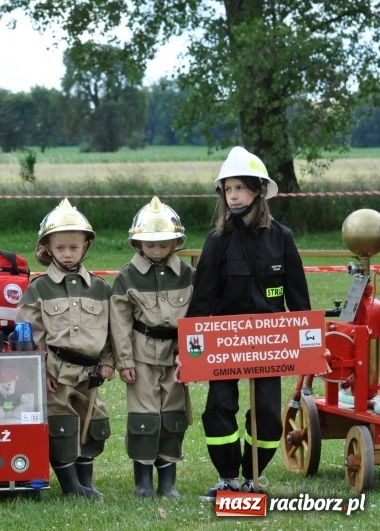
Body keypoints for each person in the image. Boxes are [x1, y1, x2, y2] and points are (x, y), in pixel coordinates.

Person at [188, 146, 312, 501]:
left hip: (271, 344)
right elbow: (202, 301)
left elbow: (299, 299)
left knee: (269, 415)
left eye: (240, 188)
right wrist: (189, 349)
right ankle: (227, 477)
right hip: (223, 344)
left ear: (259, 191)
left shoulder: (282, 237)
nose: (233, 195)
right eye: (227, 189)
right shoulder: (216, 241)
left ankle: (252, 478)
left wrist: (309, 348)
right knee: (218, 409)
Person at [16, 198, 113, 499]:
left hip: (91, 370)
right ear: (47, 248)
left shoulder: (99, 288)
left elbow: (113, 330)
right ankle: (70, 485)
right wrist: (39, 368)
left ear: (86, 246)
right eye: (60, 248)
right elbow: (31, 333)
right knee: (61, 425)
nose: (67, 254)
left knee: (92, 422)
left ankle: (86, 480)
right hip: (55, 370)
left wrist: (109, 360)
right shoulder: (38, 289)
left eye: (74, 247)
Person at [110, 197, 194, 498]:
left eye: (163, 244)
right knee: (143, 418)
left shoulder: (187, 274)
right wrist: (125, 362)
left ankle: (168, 483)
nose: (156, 251)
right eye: (149, 244)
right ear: (137, 243)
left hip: (176, 357)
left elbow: (196, 318)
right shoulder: (126, 276)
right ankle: (143, 483)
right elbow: (119, 323)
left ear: (176, 242)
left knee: (173, 416)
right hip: (142, 356)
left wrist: (193, 357)